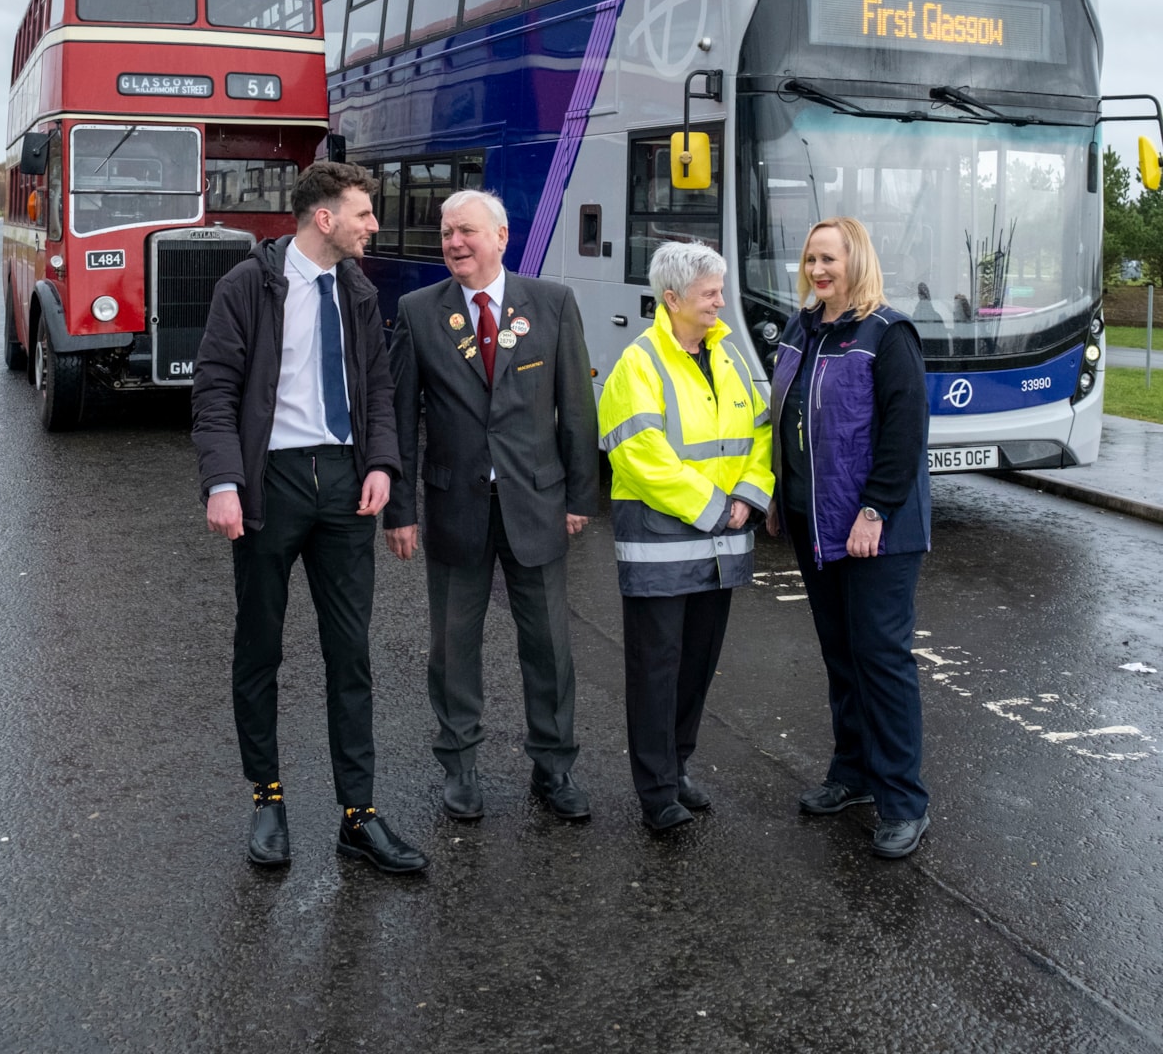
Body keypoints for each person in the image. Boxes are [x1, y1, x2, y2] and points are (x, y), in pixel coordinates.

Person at [192, 160, 427, 875]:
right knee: (261, 647)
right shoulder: (248, 286)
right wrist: (224, 482)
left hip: (346, 485)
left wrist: (382, 464)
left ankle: (359, 815)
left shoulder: (357, 289)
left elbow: (380, 389)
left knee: (350, 653)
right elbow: (215, 392)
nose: (373, 225)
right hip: (273, 484)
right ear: (324, 218)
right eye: (364, 212)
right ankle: (268, 799)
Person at [384, 189, 599, 823]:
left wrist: (581, 495)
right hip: (455, 506)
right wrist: (401, 509)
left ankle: (554, 767)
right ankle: (460, 767)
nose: (454, 243)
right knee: (452, 646)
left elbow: (576, 411)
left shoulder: (552, 303)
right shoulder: (419, 312)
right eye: (447, 233)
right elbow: (400, 419)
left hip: (537, 503)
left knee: (550, 646)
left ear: (501, 237)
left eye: (467, 231)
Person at [769, 215, 932, 859]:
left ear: (856, 261)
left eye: (829, 259)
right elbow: (784, 420)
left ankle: (903, 802)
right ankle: (853, 773)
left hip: (875, 529)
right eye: (811, 259)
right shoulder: (801, 328)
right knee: (841, 653)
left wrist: (875, 511)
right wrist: (780, 497)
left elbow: (904, 432)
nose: (818, 271)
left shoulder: (887, 333)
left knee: (882, 661)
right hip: (815, 520)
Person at [597, 242, 774, 833]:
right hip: (664, 542)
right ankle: (655, 791)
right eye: (710, 294)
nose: (720, 302)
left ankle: (677, 768)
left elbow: (759, 433)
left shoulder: (726, 357)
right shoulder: (639, 363)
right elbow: (640, 454)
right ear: (671, 299)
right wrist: (716, 507)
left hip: (720, 543)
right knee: (656, 668)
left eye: (720, 291)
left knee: (697, 664)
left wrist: (750, 495)